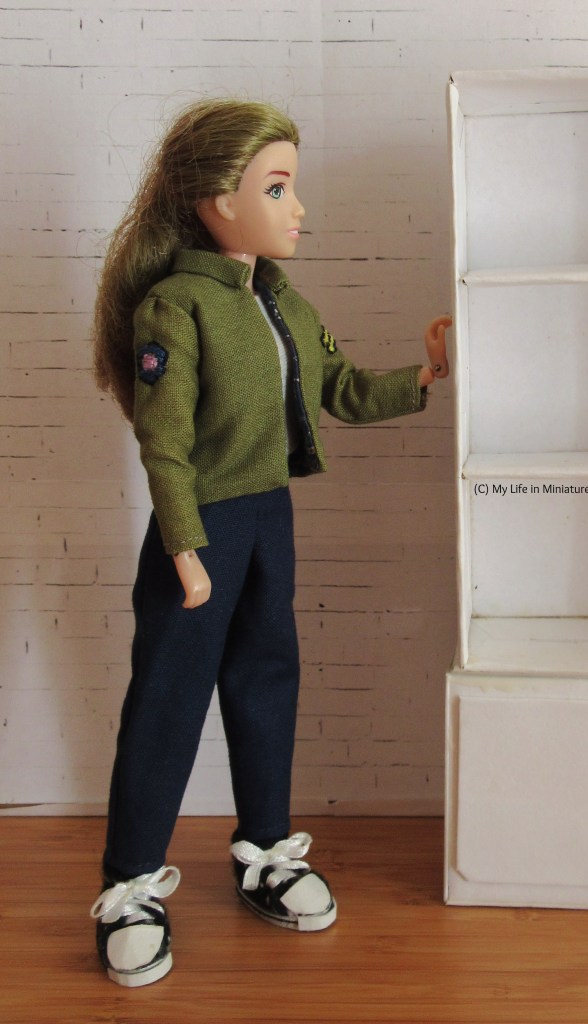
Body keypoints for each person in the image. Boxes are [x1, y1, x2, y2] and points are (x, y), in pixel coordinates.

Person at [89, 97, 450, 987]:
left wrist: (428, 373)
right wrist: (182, 547)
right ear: (216, 199)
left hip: (268, 521)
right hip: (201, 530)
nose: (299, 209)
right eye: (277, 188)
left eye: (293, 187)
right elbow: (161, 442)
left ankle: (264, 852)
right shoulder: (176, 308)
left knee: (265, 685)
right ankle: (130, 884)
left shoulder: (281, 299)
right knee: (169, 702)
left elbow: (347, 392)